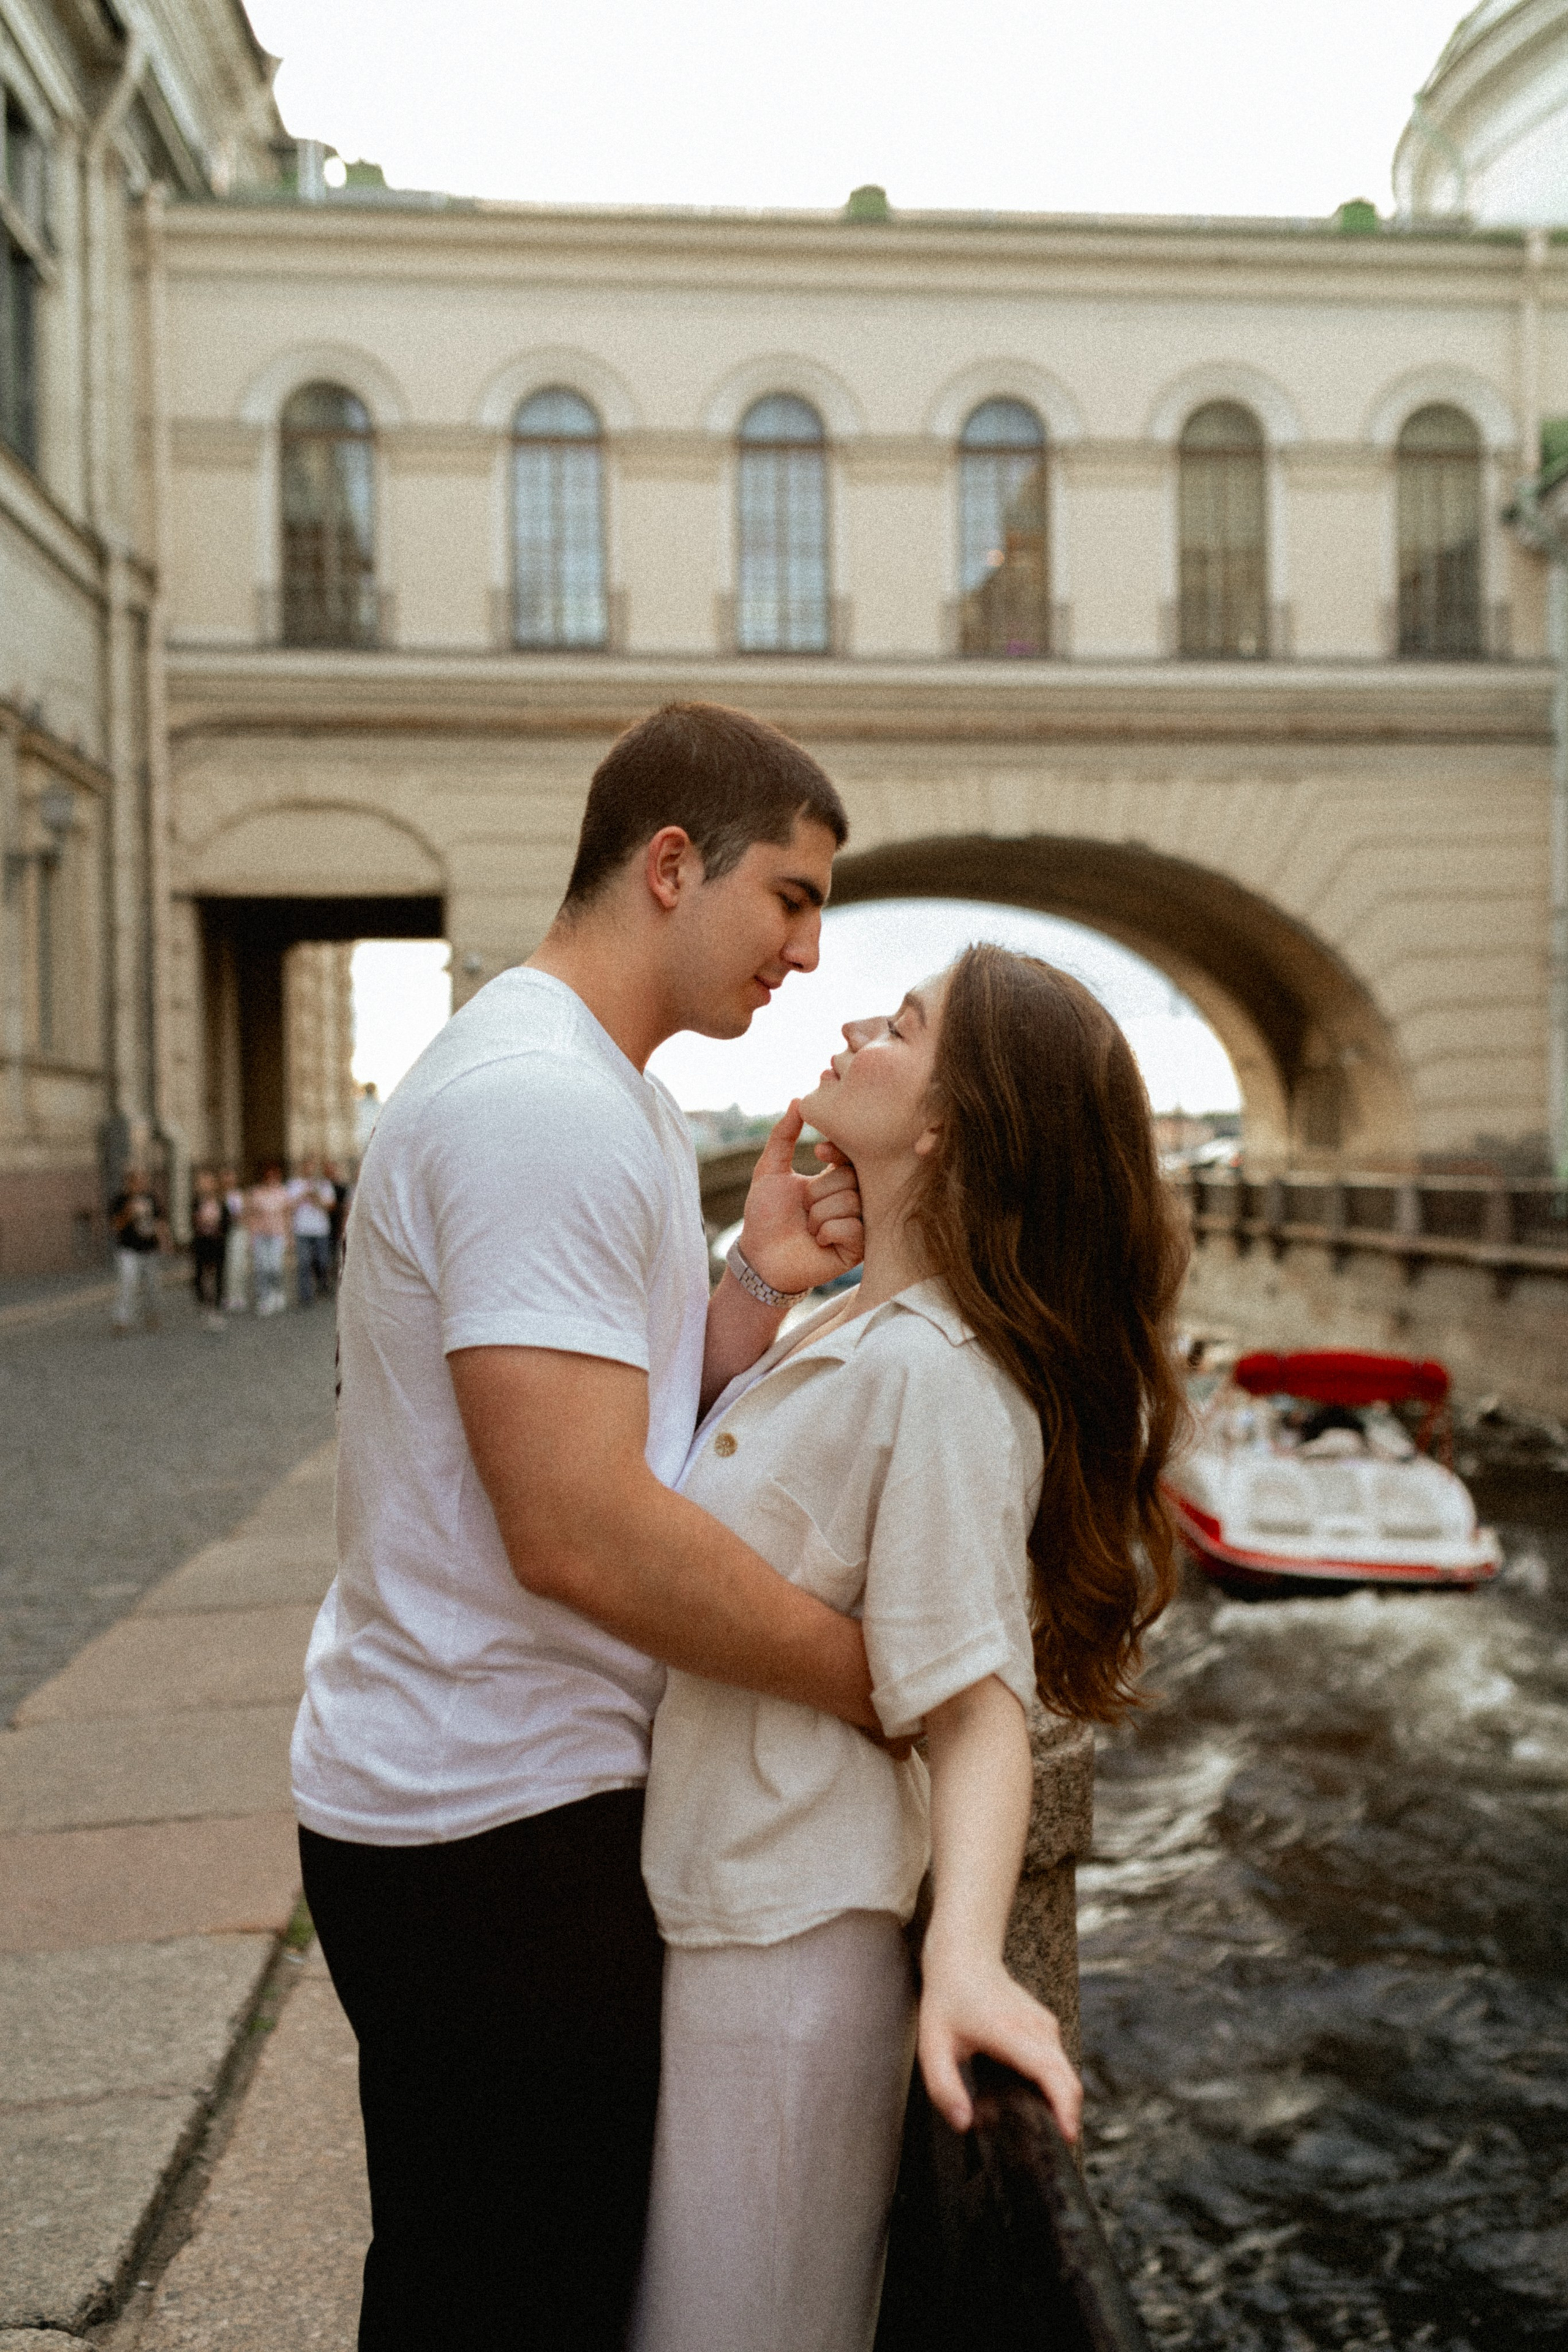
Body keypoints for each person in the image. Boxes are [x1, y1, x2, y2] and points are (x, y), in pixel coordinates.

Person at [290, 703, 876, 2352]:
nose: (810, 953)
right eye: (793, 896)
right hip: (493, 1826)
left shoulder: (585, 1083)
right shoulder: (540, 1100)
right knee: (509, 2299)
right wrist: (872, 1676)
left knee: (487, 2275)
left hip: (491, 1804)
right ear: (674, 866)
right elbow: (575, 1526)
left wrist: (753, 1279)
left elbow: (614, 1436)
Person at [633, 946, 1190, 2352]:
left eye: (902, 1023)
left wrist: (963, 1963)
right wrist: (758, 1277)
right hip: (722, 1911)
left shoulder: (935, 1378)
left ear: (946, 1124)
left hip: (786, 1951)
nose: (854, 1021)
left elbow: (975, 1705)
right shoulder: (846, 1318)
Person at [110, 1173, 166, 1333]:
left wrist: (164, 1241)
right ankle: (122, 1319)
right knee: (128, 1283)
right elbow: (116, 1225)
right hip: (128, 1249)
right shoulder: (120, 1200)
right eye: (137, 1182)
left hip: (149, 1248)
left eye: (143, 1182)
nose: (140, 1186)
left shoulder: (151, 1198)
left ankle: (152, 1314)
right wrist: (129, 1212)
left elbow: (160, 1221)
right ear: (129, 1183)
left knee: (152, 1285)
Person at [288, 1156, 336, 1306]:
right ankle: (305, 1296)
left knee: (322, 1261)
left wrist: (317, 1196)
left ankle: (323, 1285)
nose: (309, 1170)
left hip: (320, 1229)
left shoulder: (324, 1184)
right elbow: (289, 1206)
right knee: (304, 1262)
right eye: (306, 1167)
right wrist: (304, 1195)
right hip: (302, 1229)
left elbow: (331, 1206)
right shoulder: (294, 1185)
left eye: (312, 1167)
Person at [247, 1163, 290, 1316]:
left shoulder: (282, 1193)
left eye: (274, 1176)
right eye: (269, 1176)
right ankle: (264, 1298)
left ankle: (277, 1292)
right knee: (262, 1268)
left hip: (277, 1234)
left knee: (275, 1266)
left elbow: (287, 1215)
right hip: (261, 1234)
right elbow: (251, 1215)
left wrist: (289, 1237)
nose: (272, 1179)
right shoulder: (256, 1193)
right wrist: (251, 1236)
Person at [190, 1167, 227, 1330]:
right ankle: (204, 1305)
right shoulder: (196, 1202)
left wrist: (216, 1226)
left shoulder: (221, 1202)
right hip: (202, 1242)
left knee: (218, 1274)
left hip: (217, 1243)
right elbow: (193, 1221)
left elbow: (226, 1222)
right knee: (201, 1275)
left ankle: (217, 1307)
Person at [220, 1166, 250, 1312]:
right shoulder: (220, 1196)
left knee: (238, 1264)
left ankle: (239, 1295)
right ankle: (227, 1295)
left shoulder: (240, 1195)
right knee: (226, 1265)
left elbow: (246, 1213)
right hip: (223, 1233)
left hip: (238, 1231)